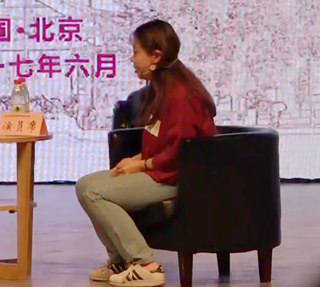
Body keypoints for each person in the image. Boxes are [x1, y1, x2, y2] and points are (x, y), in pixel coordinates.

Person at [75, 20, 217, 287]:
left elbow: (180, 151)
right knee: (85, 185)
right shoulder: (162, 89)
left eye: (136, 52)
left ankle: (145, 264)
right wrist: (138, 159)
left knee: (95, 192)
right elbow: (162, 138)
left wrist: (143, 165)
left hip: (181, 177)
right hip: (164, 170)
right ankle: (119, 259)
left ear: (156, 56)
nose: (132, 59)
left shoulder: (180, 94)